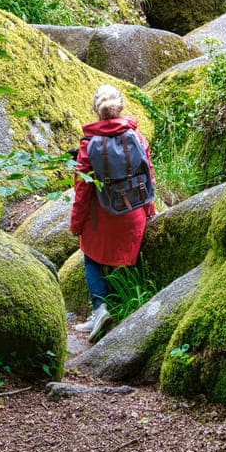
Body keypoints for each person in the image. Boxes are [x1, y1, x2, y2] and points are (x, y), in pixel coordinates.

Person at [69, 84, 156, 341]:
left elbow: (82, 191)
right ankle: (125, 304)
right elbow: (148, 175)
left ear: (96, 110)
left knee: (91, 256)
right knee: (129, 254)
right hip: (134, 214)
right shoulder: (138, 138)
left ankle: (100, 309)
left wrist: (77, 223)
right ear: (121, 107)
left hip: (103, 218)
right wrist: (149, 210)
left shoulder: (88, 145)